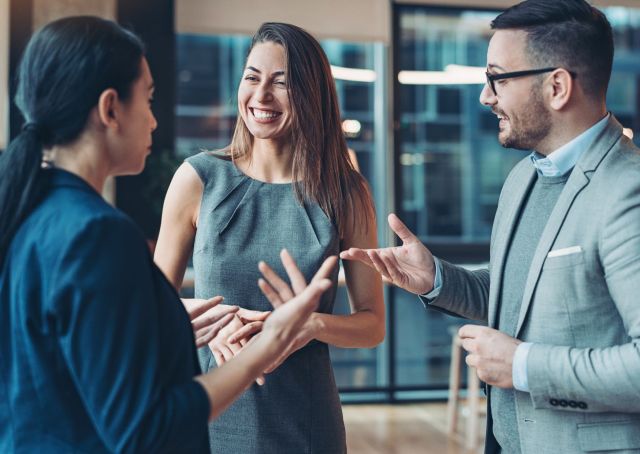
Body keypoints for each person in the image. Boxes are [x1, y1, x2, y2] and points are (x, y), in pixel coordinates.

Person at [0, 16, 337, 453]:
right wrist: (272, 341)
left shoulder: (27, 209)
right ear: (110, 109)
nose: (154, 121)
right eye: (149, 98)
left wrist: (167, 325)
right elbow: (145, 431)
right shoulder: (97, 233)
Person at [341, 1, 640, 453]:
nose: (486, 96)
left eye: (498, 78)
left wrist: (522, 366)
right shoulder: (522, 178)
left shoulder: (628, 191)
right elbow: (516, 302)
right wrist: (437, 279)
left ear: (557, 86)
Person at [154, 22, 384, 453]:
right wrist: (210, 322)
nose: (261, 96)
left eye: (281, 83)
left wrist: (308, 325)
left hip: (306, 422)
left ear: (312, 94)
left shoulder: (346, 192)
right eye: (252, 77)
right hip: (208, 412)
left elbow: (371, 324)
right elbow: (147, 309)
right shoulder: (197, 179)